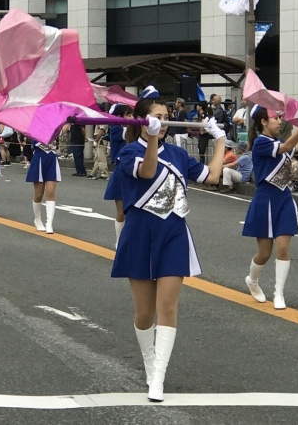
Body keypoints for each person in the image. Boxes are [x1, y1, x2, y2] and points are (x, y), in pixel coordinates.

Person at [111, 91, 226, 403]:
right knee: (144, 313)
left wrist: (219, 140)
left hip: (174, 232)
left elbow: (213, 177)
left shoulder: (177, 154)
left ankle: (158, 376)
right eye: (156, 117)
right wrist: (149, 139)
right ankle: (149, 365)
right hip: (139, 233)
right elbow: (147, 172)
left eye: (165, 118)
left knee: (168, 306)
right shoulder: (128, 152)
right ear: (143, 120)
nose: (162, 123)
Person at [242, 105, 298, 311]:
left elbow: (292, 147)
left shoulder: (277, 142)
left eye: (280, 118)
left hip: (284, 198)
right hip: (266, 200)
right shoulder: (261, 143)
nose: (279, 121)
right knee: (264, 253)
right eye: (275, 118)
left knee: (283, 248)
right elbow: (287, 147)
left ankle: (279, 292)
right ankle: (252, 280)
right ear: (263, 122)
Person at [104, 104, 134, 248]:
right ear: (120, 117)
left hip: (134, 172)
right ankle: (119, 241)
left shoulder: (133, 129)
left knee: (134, 212)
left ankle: (130, 242)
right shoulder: (116, 129)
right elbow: (128, 134)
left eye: (132, 115)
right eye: (128, 115)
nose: (131, 118)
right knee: (121, 211)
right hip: (121, 172)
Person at [26, 138, 61, 234]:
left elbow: (63, 128)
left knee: (50, 192)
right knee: (38, 194)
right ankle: (37, 219)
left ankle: (49, 223)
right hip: (39, 158)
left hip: (52, 159)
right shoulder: (35, 125)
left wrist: (69, 122)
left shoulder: (55, 125)